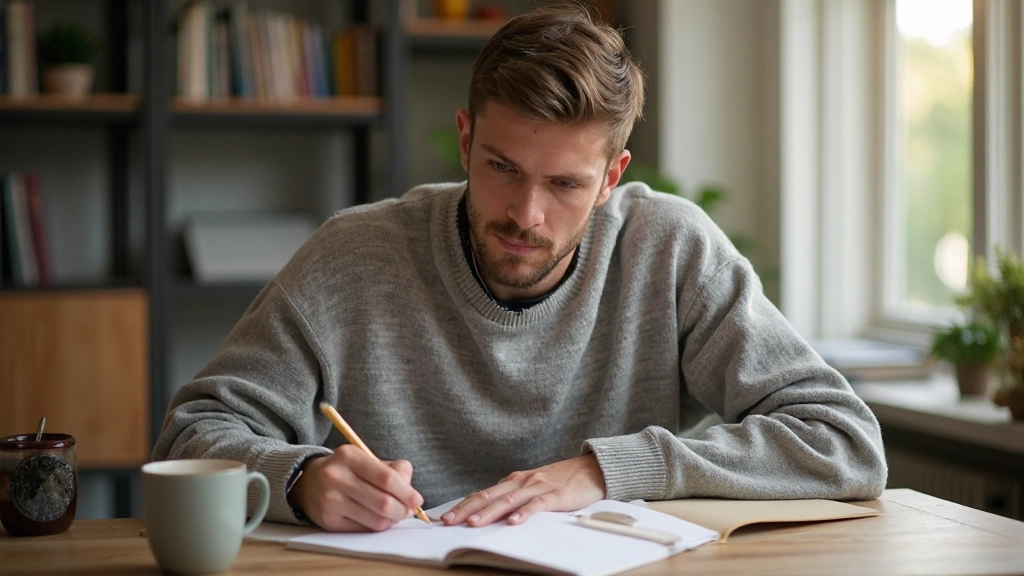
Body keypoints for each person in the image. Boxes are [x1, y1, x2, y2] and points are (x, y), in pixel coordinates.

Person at [152, 2, 886, 533]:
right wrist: (304, 479)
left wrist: (605, 471)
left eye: (565, 184)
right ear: (465, 141)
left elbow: (842, 441)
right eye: (502, 167)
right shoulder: (354, 255)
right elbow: (192, 432)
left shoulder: (668, 250)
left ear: (611, 177)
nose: (525, 214)